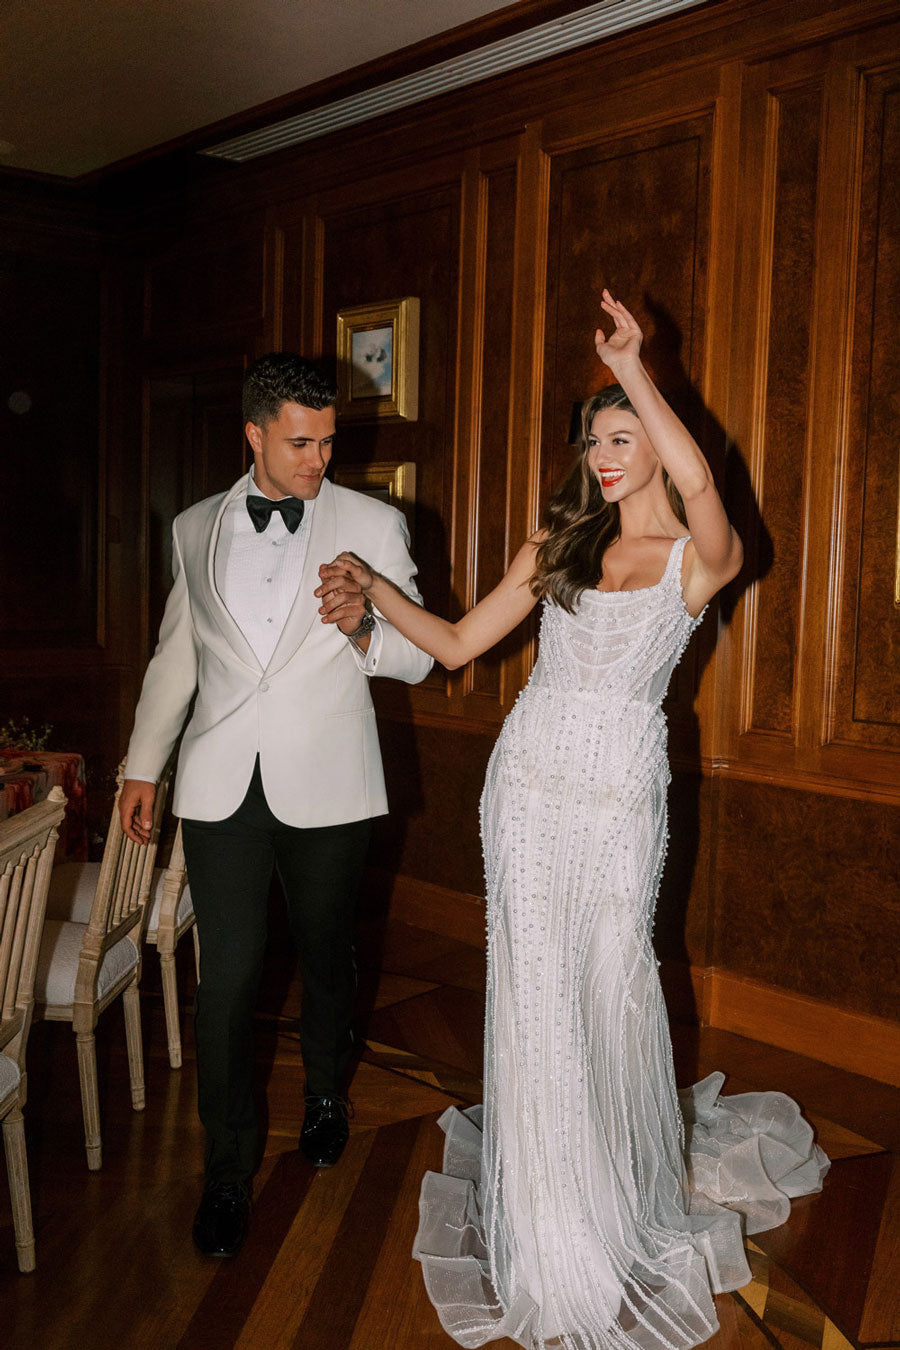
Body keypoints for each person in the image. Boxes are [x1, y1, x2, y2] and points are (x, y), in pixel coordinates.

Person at [317, 293, 828, 1349]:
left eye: (622, 437)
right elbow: (458, 645)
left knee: (609, 982)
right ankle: (548, 1221)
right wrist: (370, 591)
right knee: (534, 987)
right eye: (593, 438)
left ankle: (615, 1202)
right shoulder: (558, 540)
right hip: (527, 783)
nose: (602, 455)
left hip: (618, 793)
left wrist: (639, 369)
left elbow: (700, 480)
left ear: (657, 440)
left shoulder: (700, 555)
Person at [119, 353, 432, 1258]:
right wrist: (145, 765)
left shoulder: (372, 522)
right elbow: (177, 656)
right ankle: (226, 1175)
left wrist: (365, 622)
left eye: (329, 441)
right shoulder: (190, 528)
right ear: (253, 433)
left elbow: (418, 656)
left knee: (328, 956)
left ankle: (328, 1093)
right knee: (226, 983)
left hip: (329, 781)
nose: (319, 460)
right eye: (301, 442)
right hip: (219, 784)